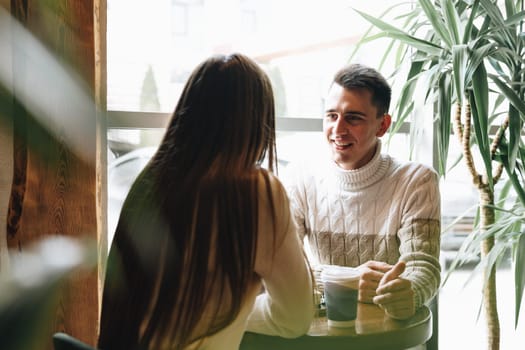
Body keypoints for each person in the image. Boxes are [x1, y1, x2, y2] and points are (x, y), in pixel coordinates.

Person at [98, 53, 314, 350]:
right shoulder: (257, 192)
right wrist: (244, 308)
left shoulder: (150, 181)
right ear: (256, 124)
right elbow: (296, 318)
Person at [284, 63, 441, 322]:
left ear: (382, 125)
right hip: (325, 331)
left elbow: (423, 267)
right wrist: (353, 279)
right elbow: (285, 266)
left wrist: (409, 293)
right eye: (331, 116)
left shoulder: (416, 180)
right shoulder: (300, 177)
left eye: (353, 118)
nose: (338, 129)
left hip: (387, 333)